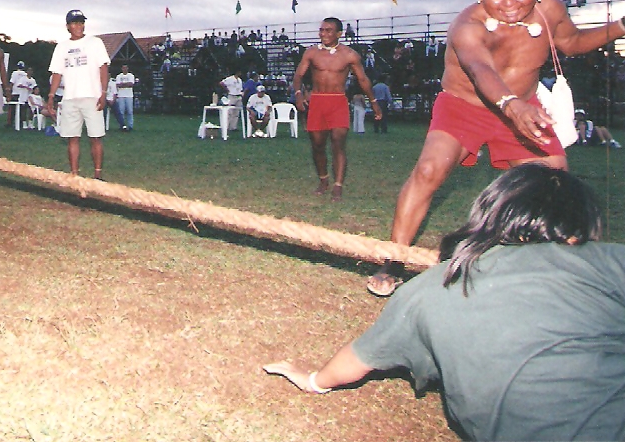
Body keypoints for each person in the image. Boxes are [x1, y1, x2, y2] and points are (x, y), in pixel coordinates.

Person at [264, 166, 625, 442]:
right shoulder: (606, 260)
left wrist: (313, 380)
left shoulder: (429, 288)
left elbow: (355, 362)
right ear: (578, 231)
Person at [367, 0, 625, 296]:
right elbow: (480, 68)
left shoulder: (549, 9)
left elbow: (573, 42)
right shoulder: (467, 25)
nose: (508, 3)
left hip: (523, 106)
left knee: (555, 184)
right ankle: (393, 261)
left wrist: (620, 26)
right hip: (465, 107)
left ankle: (553, 271)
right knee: (428, 171)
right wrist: (511, 104)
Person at [292, 17, 381, 202]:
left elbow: (363, 80)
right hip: (317, 101)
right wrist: (299, 94)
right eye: (322, 30)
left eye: (329, 30)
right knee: (317, 144)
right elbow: (298, 75)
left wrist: (373, 101)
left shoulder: (349, 55)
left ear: (339, 34)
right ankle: (323, 179)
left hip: (338, 101)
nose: (324, 34)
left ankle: (338, 185)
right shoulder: (311, 53)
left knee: (338, 142)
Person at [46, 10, 110, 179]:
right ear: (68, 26)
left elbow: (103, 68)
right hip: (70, 98)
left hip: (92, 96)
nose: (78, 26)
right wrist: (51, 96)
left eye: (81, 22)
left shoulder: (95, 42)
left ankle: (98, 174)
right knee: (72, 137)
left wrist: (103, 93)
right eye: (74, 23)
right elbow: (57, 73)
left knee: (95, 136)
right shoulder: (61, 47)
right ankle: (74, 174)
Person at [114, 64, 137, 132]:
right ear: (121, 69)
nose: (124, 69)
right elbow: (118, 85)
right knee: (121, 111)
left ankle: (130, 125)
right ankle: (122, 125)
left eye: (126, 68)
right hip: (121, 95)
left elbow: (131, 84)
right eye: (123, 68)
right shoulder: (119, 76)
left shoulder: (131, 75)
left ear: (128, 68)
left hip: (129, 95)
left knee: (130, 111)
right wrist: (126, 84)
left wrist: (123, 84)